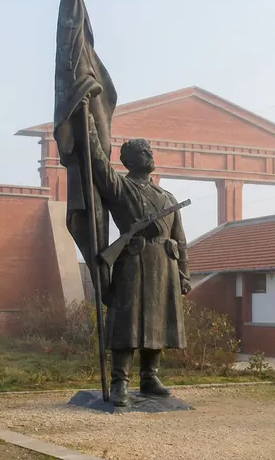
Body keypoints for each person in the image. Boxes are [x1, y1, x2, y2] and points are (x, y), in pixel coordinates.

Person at [87, 116, 193, 407]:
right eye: (143, 152)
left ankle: (150, 376)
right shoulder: (120, 187)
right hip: (133, 262)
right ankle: (120, 381)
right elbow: (98, 163)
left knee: (158, 322)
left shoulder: (167, 196)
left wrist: (184, 274)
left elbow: (180, 239)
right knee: (127, 322)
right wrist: (90, 127)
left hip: (165, 267)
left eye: (150, 151)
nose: (149, 155)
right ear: (130, 160)